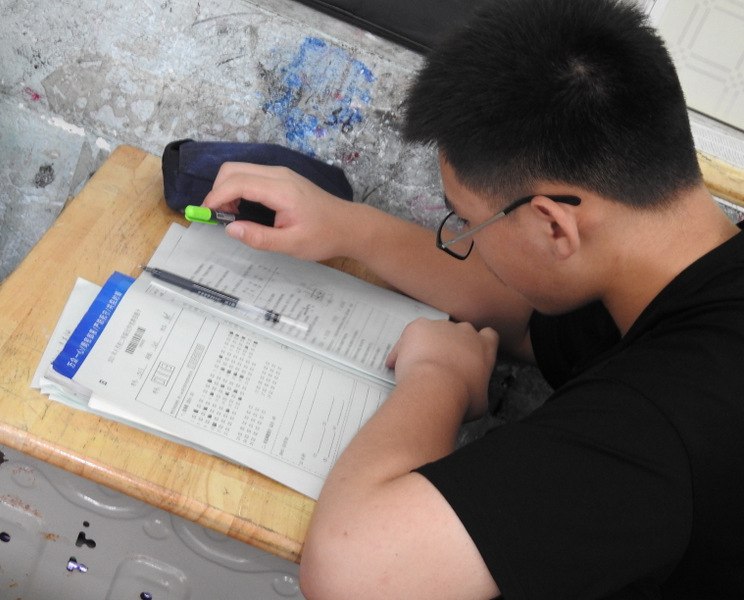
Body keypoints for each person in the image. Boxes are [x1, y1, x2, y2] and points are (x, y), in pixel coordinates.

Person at [202, 0, 744, 597]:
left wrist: (439, 376)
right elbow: (530, 317)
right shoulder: (686, 273)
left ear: (553, 226)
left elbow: (353, 574)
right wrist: (346, 227)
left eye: (467, 223)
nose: (465, 241)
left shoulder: (661, 427)